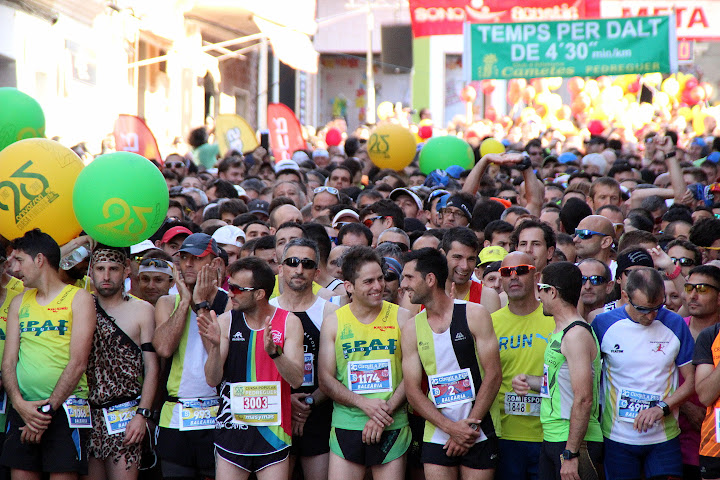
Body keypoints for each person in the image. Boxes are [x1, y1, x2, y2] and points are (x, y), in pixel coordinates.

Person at [1, 229, 97, 479]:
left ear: (40, 260)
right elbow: (9, 362)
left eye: (19, 260)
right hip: (23, 409)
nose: (14, 268)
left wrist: (45, 413)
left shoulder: (79, 298)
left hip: (65, 409)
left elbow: (78, 363)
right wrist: (21, 406)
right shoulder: (19, 302)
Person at [198, 257, 304, 479]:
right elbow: (212, 379)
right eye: (229, 286)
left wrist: (275, 353)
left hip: (273, 435)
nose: (230, 293)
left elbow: (296, 380)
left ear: (259, 294)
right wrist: (215, 347)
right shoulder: (226, 321)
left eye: (237, 288)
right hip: (233, 432)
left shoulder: (289, 322)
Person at [401, 248, 501, 479]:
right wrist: (451, 429)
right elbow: (412, 391)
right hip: (438, 431)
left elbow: (494, 374)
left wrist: (469, 428)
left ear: (430, 279)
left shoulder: (474, 314)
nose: (403, 284)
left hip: (479, 428)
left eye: (409, 277)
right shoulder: (411, 328)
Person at [318, 246, 412, 480]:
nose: (379, 286)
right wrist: (364, 405)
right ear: (349, 286)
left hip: (392, 425)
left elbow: (413, 375)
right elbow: (325, 380)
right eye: (369, 281)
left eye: (381, 278)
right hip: (348, 425)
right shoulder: (333, 322)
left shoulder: (402, 317)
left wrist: (382, 414)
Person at [592, 268, 695, 480]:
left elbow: (692, 382)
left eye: (657, 307)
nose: (651, 316)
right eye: (643, 309)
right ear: (625, 296)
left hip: (663, 438)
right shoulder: (604, 324)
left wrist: (661, 409)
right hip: (617, 438)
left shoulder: (674, 323)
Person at [512, 262, 603, 479]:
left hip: (573, 442)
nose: (538, 296)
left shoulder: (575, 335)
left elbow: (584, 399)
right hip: (554, 437)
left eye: (540, 289)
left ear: (552, 292)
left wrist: (570, 453)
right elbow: (560, 382)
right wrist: (530, 382)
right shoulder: (560, 331)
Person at [152, 233, 228, 480]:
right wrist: (185, 302)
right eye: (183, 258)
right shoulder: (167, 302)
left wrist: (201, 304)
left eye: (196, 258)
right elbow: (163, 348)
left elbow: (217, 355)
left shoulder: (229, 303)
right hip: (175, 415)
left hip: (218, 415)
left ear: (215, 264)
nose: (187, 264)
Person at [86, 246, 159, 480]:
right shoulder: (81, 306)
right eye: (100, 268)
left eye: (113, 269)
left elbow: (152, 367)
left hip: (125, 413)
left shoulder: (142, 310)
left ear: (126, 270)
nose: (106, 276)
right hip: (87, 414)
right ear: (91, 272)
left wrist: (142, 415)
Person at [269, 238, 339, 479]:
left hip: (319, 411)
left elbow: (338, 370)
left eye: (307, 264)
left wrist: (308, 404)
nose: (299, 269)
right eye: (292, 262)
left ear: (317, 272)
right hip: (275, 413)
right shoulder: (267, 310)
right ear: (280, 268)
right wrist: (288, 403)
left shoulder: (331, 311)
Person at [490, 251, 555, 480]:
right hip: (504, 434)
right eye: (507, 272)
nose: (514, 276)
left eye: (521, 270)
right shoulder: (490, 323)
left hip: (547, 434)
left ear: (536, 276)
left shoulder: (555, 319)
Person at [681, 265, 720, 480]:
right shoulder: (675, 329)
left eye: (703, 289)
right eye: (689, 288)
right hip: (690, 439)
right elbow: (704, 395)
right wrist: (685, 406)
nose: (693, 295)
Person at [441, 227, 501, 313]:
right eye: (457, 257)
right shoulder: (425, 294)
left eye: (471, 259)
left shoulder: (487, 297)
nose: (465, 266)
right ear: (443, 255)